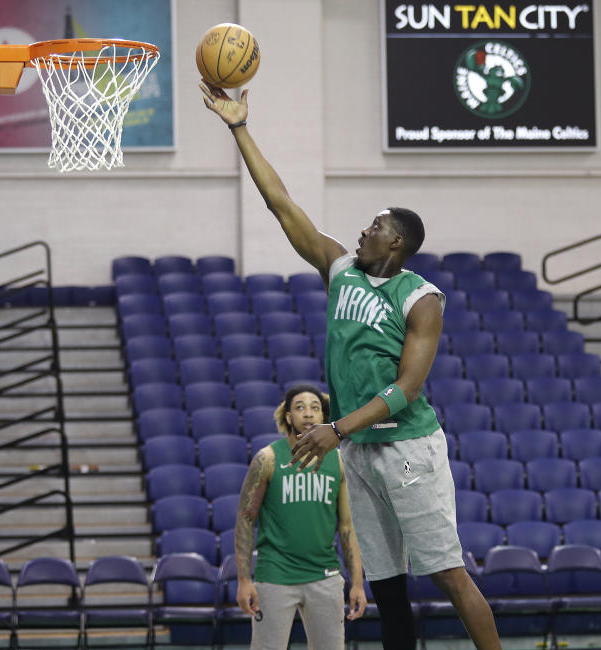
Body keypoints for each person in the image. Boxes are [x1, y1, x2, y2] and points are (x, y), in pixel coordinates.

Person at [202, 82, 501, 650]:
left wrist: (336, 428)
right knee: (388, 586)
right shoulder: (341, 270)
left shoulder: (422, 298)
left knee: (447, 574)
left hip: (408, 447)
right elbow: (281, 204)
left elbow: (407, 389)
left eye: (376, 226)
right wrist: (239, 128)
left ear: (398, 243)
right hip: (360, 449)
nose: (364, 230)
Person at [234, 384, 366, 650]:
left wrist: (357, 583)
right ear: (288, 417)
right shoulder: (268, 459)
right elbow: (246, 519)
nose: (308, 414)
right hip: (275, 576)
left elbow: (347, 526)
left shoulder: (338, 462)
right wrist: (244, 579)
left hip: (325, 575)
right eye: (300, 408)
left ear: (324, 417)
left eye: (315, 408)